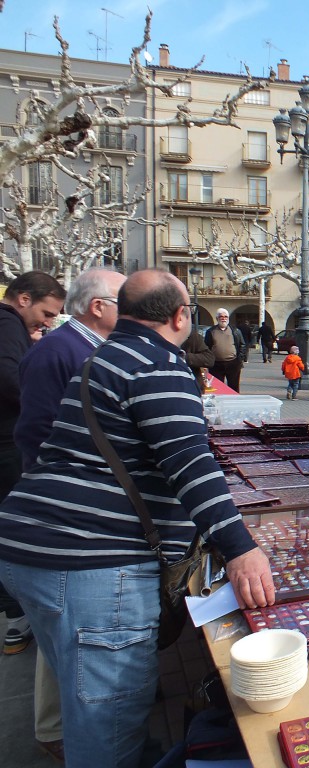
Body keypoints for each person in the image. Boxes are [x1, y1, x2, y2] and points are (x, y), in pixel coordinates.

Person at [0, 268, 274, 768]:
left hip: (39, 549)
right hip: (92, 563)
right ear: (180, 316)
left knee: (89, 700)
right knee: (107, 723)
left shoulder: (101, 357)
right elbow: (191, 463)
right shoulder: (156, 363)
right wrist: (242, 548)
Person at [12, 269, 110, 759]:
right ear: (99, 306)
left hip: (73, 510)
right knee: (66, 629)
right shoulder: (62, 350)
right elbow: (34, 433)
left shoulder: (78, 346)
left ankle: (61, 726)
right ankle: (57, 731)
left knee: (67, 629)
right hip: (64, 517)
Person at [0, 270, 66, 656]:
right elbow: (9, 379)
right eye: (46, 312)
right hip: (8, 443)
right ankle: (16, 617)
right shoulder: (8, 325)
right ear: (24, 299)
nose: (48, 321)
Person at [204, 307, 246, 392]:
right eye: (221, 317)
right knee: (218, 388)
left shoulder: (235, 330)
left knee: (234, 388)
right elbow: (206, 347)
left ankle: (234, 403)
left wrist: (240, 359)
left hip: (233, 364)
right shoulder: (211, 331)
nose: (223, 319)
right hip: (216, 365)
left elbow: (242, 345)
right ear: (217, 318)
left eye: (226, 316)